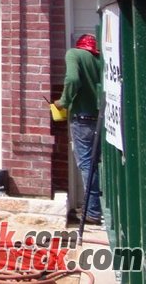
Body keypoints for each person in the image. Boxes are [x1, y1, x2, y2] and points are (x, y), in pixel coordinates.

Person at [54, 33, 103, 224]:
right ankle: (100, 207)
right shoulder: (102, 59)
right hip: (102, 118)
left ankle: (92, 212)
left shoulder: (74, 54)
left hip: (82, 118)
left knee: (86, 165)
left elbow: (73, 79)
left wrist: (63, 102)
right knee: (98, 165)